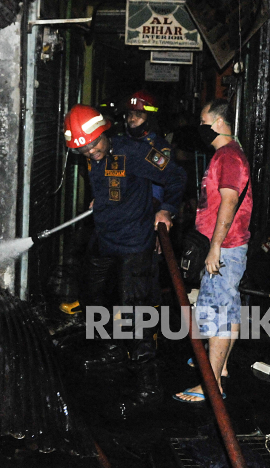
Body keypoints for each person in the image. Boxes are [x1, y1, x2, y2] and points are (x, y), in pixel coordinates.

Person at [63, 104, 186, 411]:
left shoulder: (134, 152)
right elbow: (111, 184)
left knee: (136, 312)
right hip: (104, 238)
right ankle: (112, 348)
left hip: (134, 243)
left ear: (105, 132)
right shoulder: (95, 156)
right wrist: (100, 199)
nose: (91, 153)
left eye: (94, 145)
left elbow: (177, 177)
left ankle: (148, 384)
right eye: (84, 151)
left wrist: (165, 209)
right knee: (92, 296)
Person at [174, 98, 252, 404]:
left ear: (219, 123)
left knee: (216, 313)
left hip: (226, 247)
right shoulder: (228, 154)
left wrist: (215, 247)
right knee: (228, 310)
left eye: (205, 123)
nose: (201, 129)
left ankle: (210, 384)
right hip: (232, 246)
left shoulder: (229, 157)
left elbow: (229, 203)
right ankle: (220, 370)